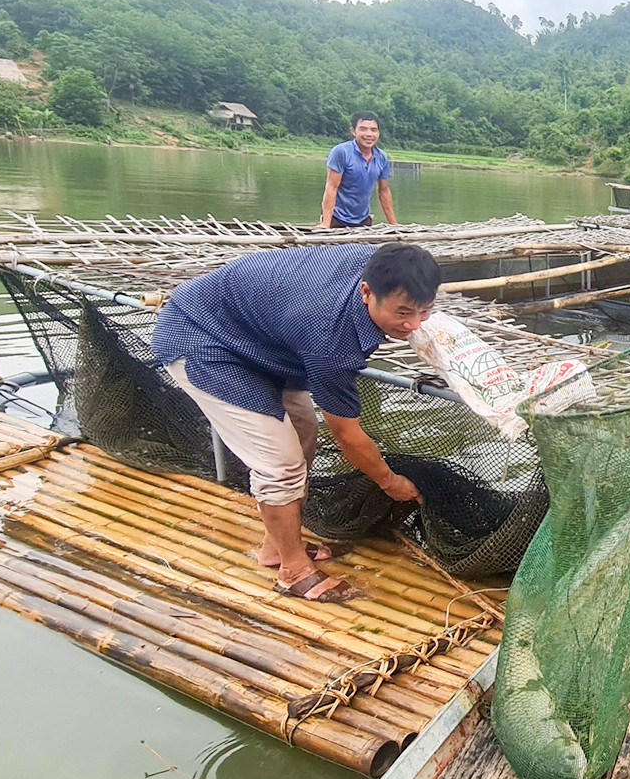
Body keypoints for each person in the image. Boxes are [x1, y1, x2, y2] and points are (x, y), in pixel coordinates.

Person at [151, 242, 439, 602]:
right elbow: (348, 436)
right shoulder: (331, 340)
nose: (413, 325)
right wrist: (390, 482)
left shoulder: (384, 264)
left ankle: (277, 547)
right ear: (367, 292)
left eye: (424, 311)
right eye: (402, 313)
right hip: (201, 339)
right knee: (279, 462)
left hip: (262, 342)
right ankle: (293, 570)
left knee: (303, 431)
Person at [320, 112, 397, 228]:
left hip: (363, 219)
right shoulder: (341, 152)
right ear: (353, 131)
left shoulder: (382, 157)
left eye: (373, 130)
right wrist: (326, 223)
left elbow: (384, 191)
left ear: (378, 133)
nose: (369, 134)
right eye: (363, 129)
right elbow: (331, 187)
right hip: (337, 218)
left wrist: (393, 223)